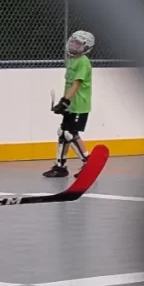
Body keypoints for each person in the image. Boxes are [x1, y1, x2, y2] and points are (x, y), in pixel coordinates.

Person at [44, 30, 94, 178]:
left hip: (79, 105)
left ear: (86, 47)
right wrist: (64, 102)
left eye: (78, 43)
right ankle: (60, 166)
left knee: (70, 133)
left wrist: (64, 101)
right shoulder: (72, 60)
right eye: (73, 41)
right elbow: (69, 84)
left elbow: (76, 84)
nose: (73, 45)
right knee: (62, 133)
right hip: (71, 104)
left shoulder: (83, 62)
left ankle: (88, 163)